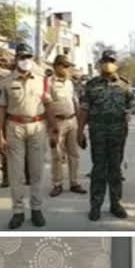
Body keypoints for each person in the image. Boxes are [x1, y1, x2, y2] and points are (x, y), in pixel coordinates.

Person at [0, 43, 56, 229]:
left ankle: (36, 209)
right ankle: (18, 211)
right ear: (16, 59)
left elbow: (49, 105)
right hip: (15, 127)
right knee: (16, 173)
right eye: (22, 57)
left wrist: (53, 129)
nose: (25, 61)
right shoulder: (5, 82)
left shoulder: (42, 80)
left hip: (37, 126)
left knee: (36, 171)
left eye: (28, 57)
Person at [78, 49, 132, 222]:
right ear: (101, 63)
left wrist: (127, 120)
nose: (108, 63)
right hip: (98, 131)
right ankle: (96, 205)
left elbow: (130, 106)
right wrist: (80, 131)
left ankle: (116, 204)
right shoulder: (92, 85)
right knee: (99, 169)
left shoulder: (124, 85)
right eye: (105, 60)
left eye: (111, 60)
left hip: (118, 132)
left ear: (116, 64)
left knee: (115, 169)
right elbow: (84, 110)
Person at [47, 54, 86, 198]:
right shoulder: (48, 82)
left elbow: (75, 101)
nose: (67, 68)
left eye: (68, 66)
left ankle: (74, 182)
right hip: (57, 122)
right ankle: (57, 184)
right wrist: (51, 125)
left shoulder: (70, 83)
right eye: (64, 65)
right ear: (56, 66)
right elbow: (46, 105)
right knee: (57, 155)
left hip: (72, 121)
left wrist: (81, 125)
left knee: (74, 154)